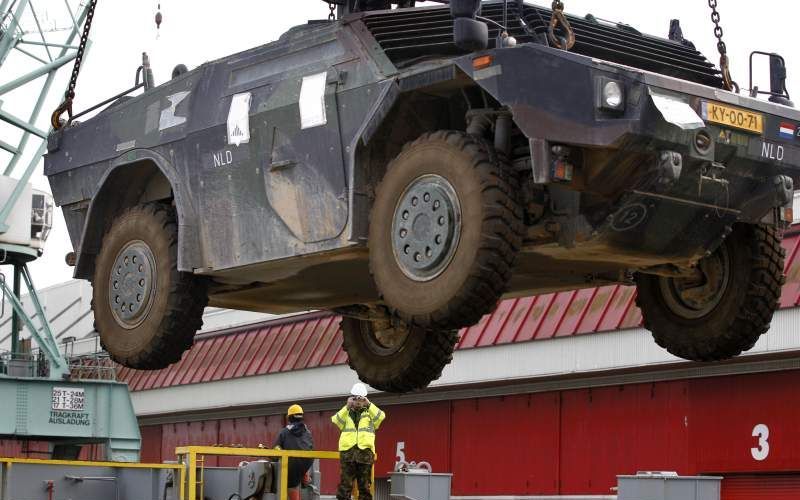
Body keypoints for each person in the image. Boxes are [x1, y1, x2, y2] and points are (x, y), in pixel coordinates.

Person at [331, 383, 386, 500]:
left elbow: (381, 417)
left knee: (364, 488)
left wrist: (369, 405)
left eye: (361, 399)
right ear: (351, 398)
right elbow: (335, 420)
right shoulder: (346, 413)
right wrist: (346, 407)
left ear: (365, 399)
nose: (358, 402)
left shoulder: (369, 413)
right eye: (356, 398)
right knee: (345, 487)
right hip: (348, 454)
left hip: (365, 454)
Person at [274, 404, 314, 500]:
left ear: (289, 417)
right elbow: (311, 447)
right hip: (307, 463)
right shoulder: (307, 431)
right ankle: (305, 477)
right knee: (300, 466)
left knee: (291, 484)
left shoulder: (284, 432)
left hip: (292, 463)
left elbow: (276, 448)